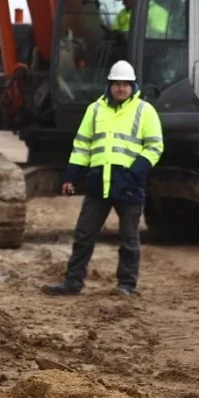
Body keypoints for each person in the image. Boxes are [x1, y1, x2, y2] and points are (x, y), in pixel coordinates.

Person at [42, 59, 163, 298]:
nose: (121, 88)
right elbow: (81, 146)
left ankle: (126, 285)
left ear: (133, 86)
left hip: (129, 184)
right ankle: (72, 282)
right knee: (83, 235)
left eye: (125, 84)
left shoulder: (145, 111)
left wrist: (134, 172)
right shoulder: (95, 110)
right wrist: (71, 177)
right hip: (99, 183)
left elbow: (154, 146)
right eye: (117, 83)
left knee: (129, 239)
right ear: (109, 85)